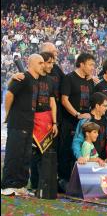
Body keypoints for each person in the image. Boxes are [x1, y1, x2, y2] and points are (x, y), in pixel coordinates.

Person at [1, 54, 45, 196]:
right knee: (14, 154)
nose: (42, 65)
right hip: (17, 122)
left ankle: (20, 185)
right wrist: (8, 114)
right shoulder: (22, 77)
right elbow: (9, 95)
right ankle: (8, 185)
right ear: (30, 63)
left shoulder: (35, 81)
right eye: (40, 62)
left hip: (28, 123)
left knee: (25, 156)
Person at [60, 53, 96, 182]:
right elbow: (64, 100)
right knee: (67, 151)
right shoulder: (69, 78)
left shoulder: (90, 81)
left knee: (82, 151)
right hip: (70, 122)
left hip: (85, 123)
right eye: (90, 64)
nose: (93, 68)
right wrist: (77, 114)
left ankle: (79, 181)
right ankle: (63, 180)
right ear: (81, 64)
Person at [29, 52, 59, 192]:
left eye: (52, 63)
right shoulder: (31, 78)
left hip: (46, 121)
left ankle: (43, 184)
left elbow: (53, 103)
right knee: (33, 154)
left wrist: (54, 123)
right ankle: (34, 184)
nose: (51, 65)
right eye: (48, 62)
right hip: (32, 119)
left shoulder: (51, 81)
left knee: (45, 154)